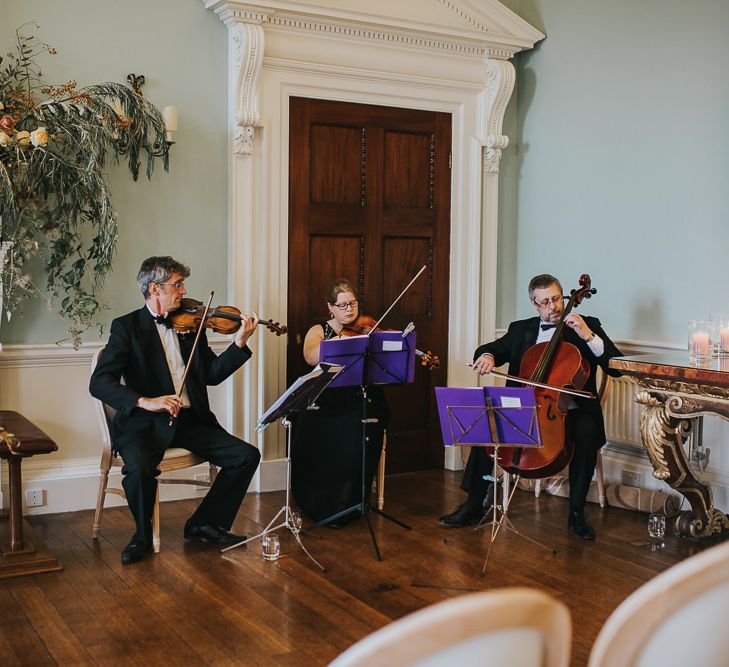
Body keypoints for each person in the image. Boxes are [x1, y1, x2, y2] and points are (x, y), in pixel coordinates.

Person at [89, 256, 262, 564]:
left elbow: (211, 375)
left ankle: (203, 523)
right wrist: (145, 401)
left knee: (246, 456)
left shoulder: (191, 326)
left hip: (190, 421)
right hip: (144, 422)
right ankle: (142, 536)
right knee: (139, 468)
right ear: (155, 288)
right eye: (177, 285)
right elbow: (100, 383)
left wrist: (239, 342)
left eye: (182, 285)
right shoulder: (127, 328)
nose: (183, 292)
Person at [438, 273, 622, 540]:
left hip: (573, 410)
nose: (553, 306)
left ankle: (576, 513)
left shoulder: (587, 325)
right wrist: (488, 356)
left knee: (587, 433)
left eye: (557, 299)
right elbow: (491, 349)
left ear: (564, 296)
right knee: (486, 428)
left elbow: (615, 367)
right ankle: (474, 504)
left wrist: (588, 335)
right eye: (545, 302)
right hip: (527, 408)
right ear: (535, 304)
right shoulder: (520, 329)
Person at [291, 278, 389, 526]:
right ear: (330, 307)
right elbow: (311, 356)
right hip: (327, 401)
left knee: (367, 424)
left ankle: (353, 501)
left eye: (353, 303)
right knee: (322, 432)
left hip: (360, 397)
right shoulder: (319, 330)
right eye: (342, 305)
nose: (349, 310)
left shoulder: (367, 329)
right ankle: (323, 504)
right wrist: (339, 341)